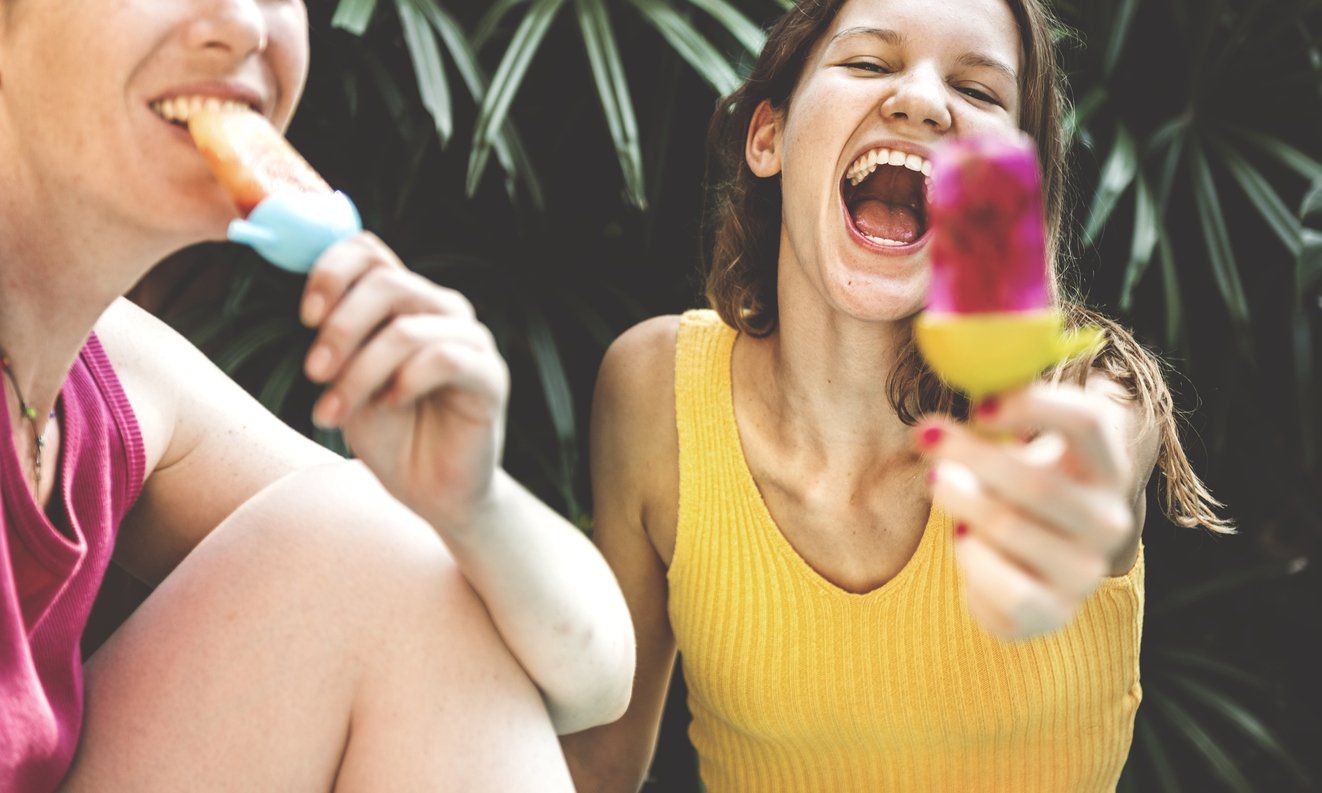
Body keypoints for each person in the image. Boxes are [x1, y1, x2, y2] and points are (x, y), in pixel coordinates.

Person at [561, 0, 1231, 790]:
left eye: (980, 92)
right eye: (870, 64)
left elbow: (1100, 446)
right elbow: (592, 768)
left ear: (1012, 187)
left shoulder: (1094, 391)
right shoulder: (654, 394)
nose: (920, 99)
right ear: (768, 135)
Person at [0, 1, 634, 790]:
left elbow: (596, 679)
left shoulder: (107, 372)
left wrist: (469, 504)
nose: (244, 24)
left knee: (388, 551)